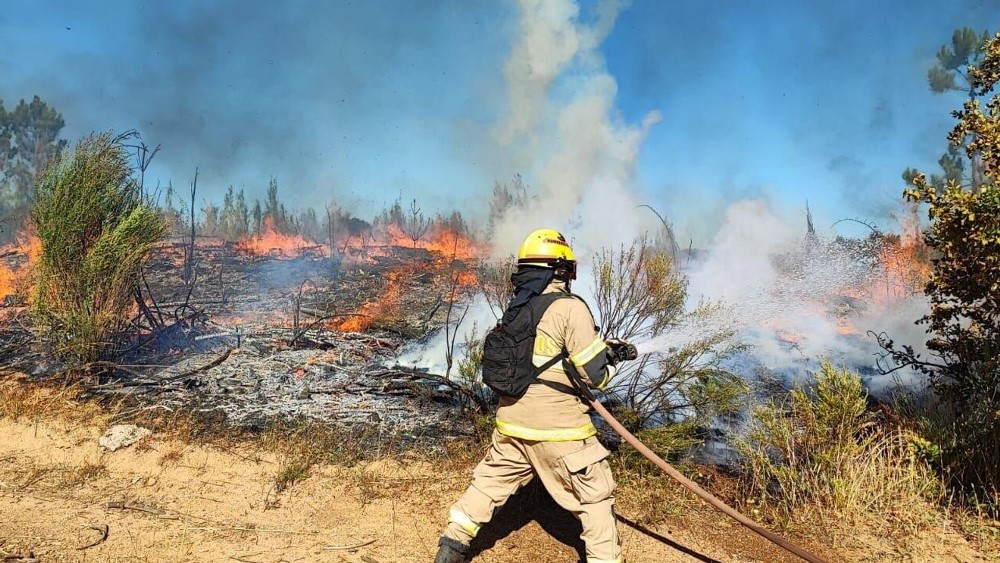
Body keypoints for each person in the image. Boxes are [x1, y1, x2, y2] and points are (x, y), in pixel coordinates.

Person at [433, 228, 624, 563]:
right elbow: (594, 377)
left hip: (512, 425)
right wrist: (611, 360)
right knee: (595, 498)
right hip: (561, 432)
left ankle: (450, 547)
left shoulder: (518, 309)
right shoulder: (570, 308)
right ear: (562, 270)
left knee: (488, 485)